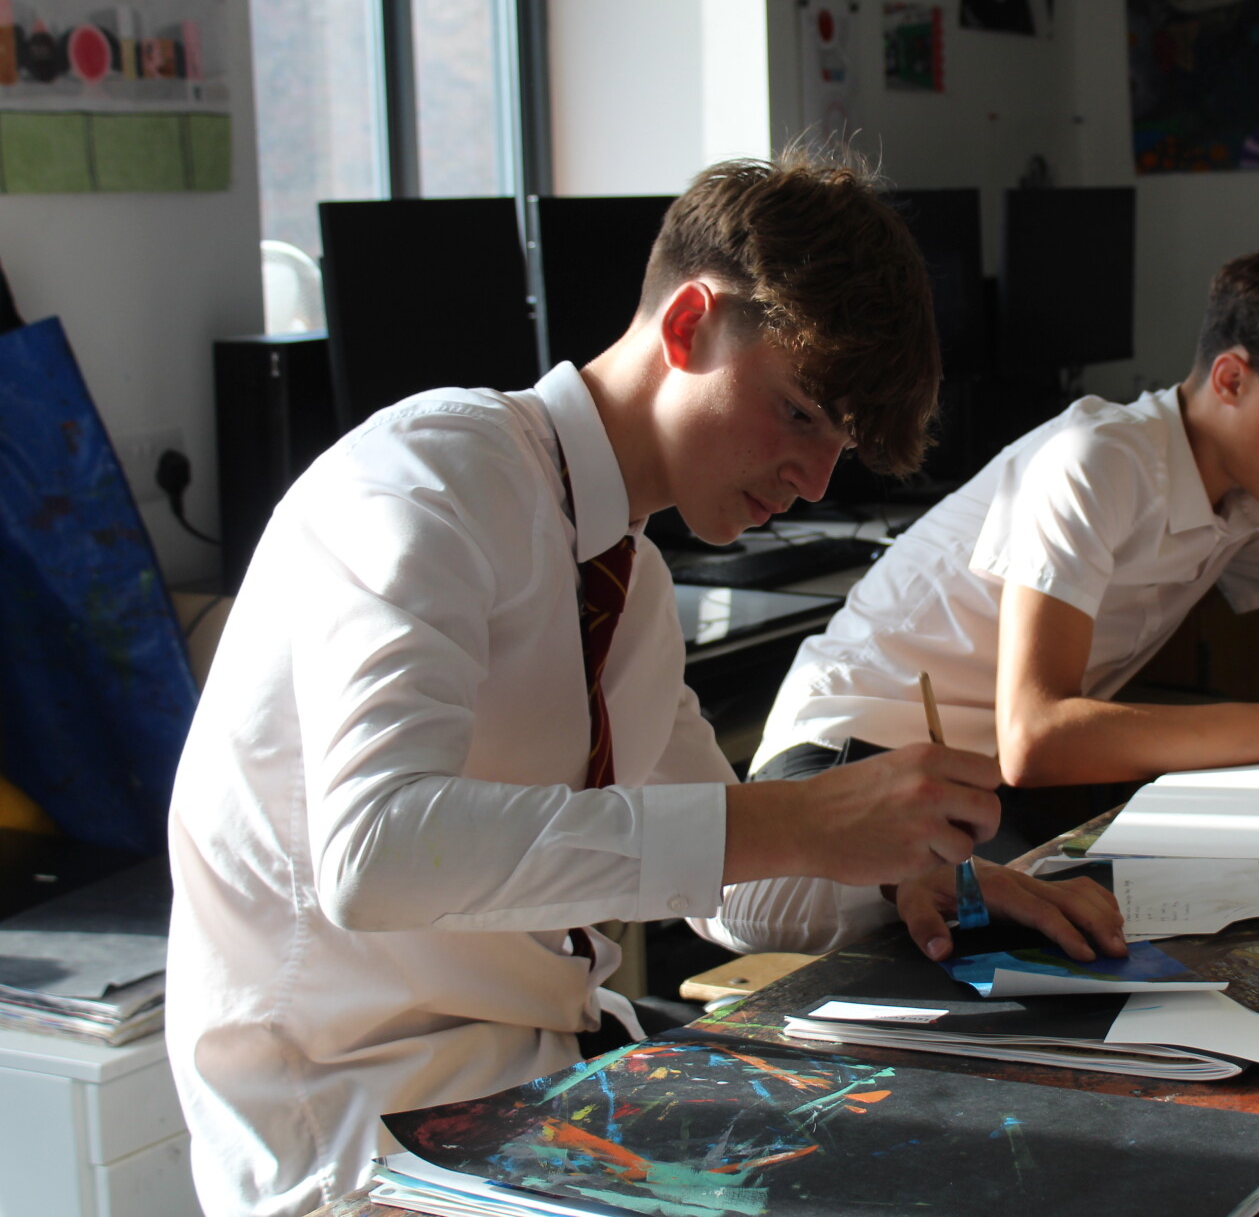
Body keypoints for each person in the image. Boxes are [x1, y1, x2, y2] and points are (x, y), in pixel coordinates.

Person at [164, 150, 1124, 1217]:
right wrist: (796, 818)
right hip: (359, 1136)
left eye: (838, 443)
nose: (815, 479)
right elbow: (373, 852)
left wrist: (902, 878)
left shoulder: (631, 579)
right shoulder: (426, 485)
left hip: (544, 1084)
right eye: (799, 412)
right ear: (688, 324)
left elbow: (728, 884)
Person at [749, 230, 1259, 852]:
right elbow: (1036, 737)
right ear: (1231, 379)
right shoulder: (1096, 460)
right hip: (830, 777)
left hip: (952, 788)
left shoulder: (1253, 503)